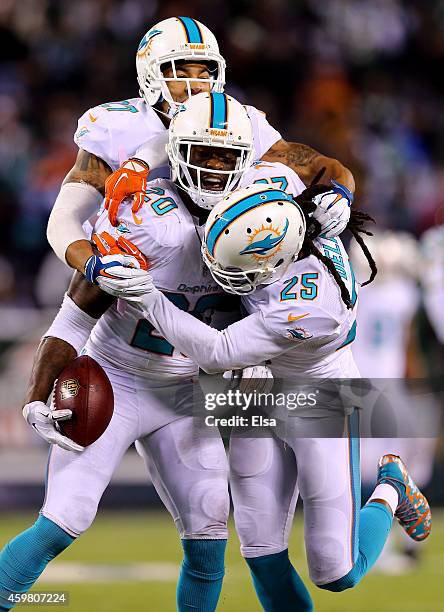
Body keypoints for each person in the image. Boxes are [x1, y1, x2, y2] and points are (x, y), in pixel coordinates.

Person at [0, 91, 349, 612]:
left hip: (188, 389)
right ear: (174, 151)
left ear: (246, 159)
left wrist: (338, 199)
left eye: (226, 156)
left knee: (210, 530)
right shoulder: (142, 216)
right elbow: (75, 313)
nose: (213, 168)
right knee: (65, 519)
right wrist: (35, 393)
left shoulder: (265, 216)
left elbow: (327, 169)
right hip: (117, 375)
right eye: (200, 154)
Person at [118, 185, 432, 610]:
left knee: (336, 572)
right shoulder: (283, 218)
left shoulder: (311, 304)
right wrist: (337, 187)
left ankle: (391, 488)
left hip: (319, 397)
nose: (227, 274)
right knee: (261, 553)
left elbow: (218, 350)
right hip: (261, 388)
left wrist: (148, 297)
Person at [45, 16, 355, 296]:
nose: (196, 86)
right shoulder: (117, 125)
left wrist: (342, 192)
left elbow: (319, 166)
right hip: (131, 267)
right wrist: (92, 266)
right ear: (150, 75)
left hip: (220, 273)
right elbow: (63, 218)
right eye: (180, 71)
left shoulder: (239, 122)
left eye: (204, 72)